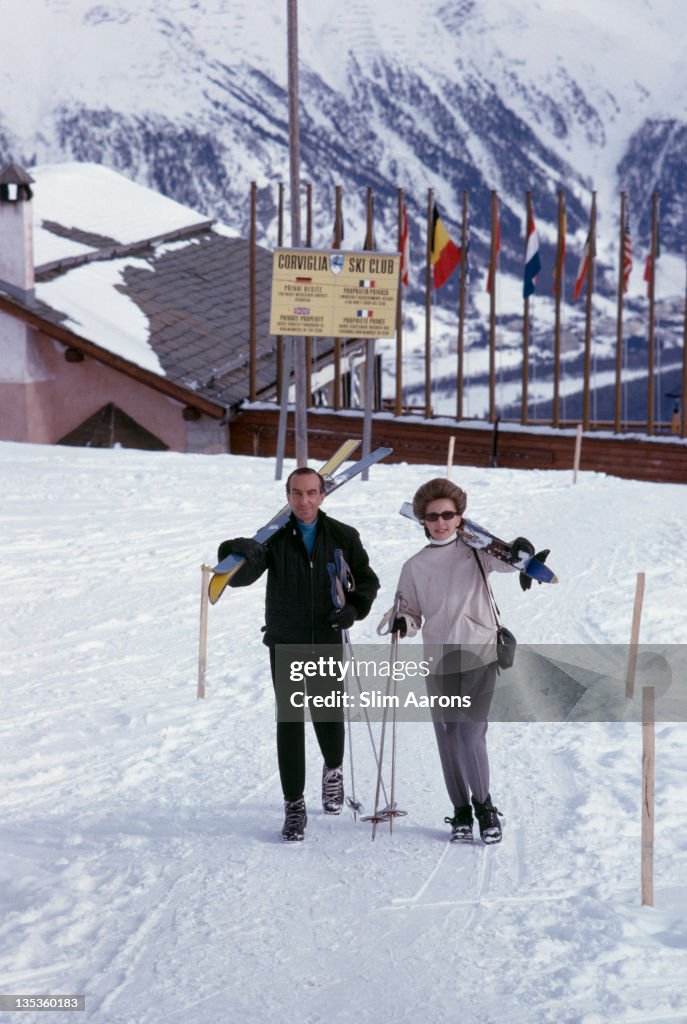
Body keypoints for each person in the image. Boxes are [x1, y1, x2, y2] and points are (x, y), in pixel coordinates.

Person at [218, 466, 379, 842]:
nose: (303, 500)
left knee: (327, 712)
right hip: (285, 640)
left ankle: (333, 771)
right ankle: (294, 806)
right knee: (289, 722)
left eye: (311, 493)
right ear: (287, 496)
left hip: (326, 637)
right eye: (296, 493)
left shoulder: (343, 535)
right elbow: (242, 575)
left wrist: (353, 609)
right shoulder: (274, 538)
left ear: (322, 496)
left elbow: (367, 581)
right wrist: (234, 549)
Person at [390, 478, 534, 845]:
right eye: (433, 516)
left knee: (470, 733)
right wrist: (402, 621)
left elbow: (508, 562)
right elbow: (410, 611)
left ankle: (485, 806)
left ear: (459, 518)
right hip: (438, 661)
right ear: (422, 520)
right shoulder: (414, 566)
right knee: (448, 737)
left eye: (448, 515)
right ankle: (460, 811)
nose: (440, 522)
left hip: (479, 653)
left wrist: (521, 553)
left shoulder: (477, 553)